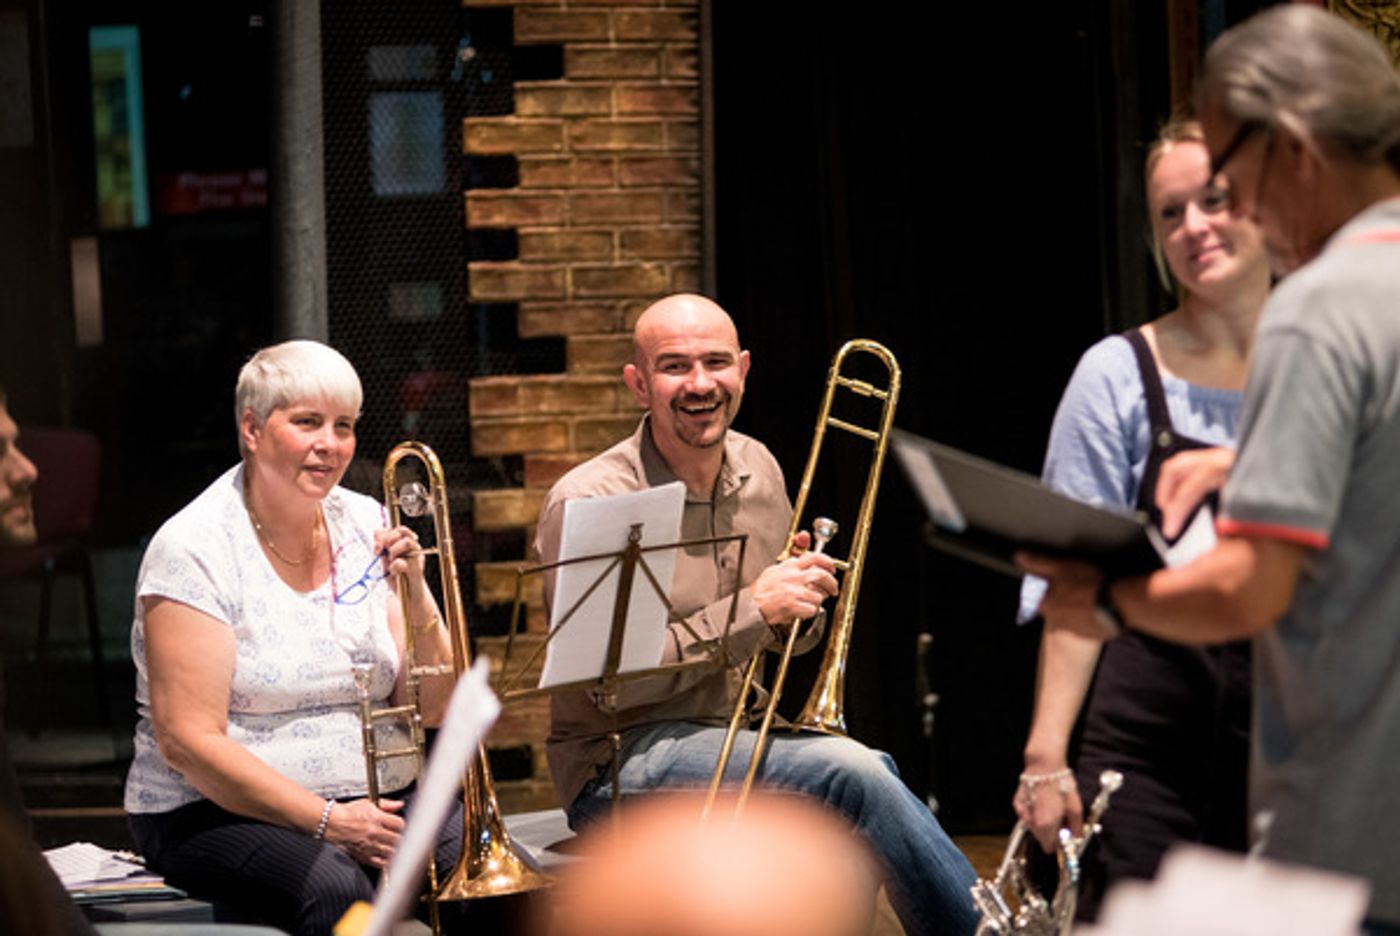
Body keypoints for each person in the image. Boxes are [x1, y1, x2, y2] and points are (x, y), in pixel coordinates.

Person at [1019, 7, 1400, 932]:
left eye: (1232, 180)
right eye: (1175, 208)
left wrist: (1111, 602)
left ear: (1296, 150)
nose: (1222, 212)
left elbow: (1250, 587)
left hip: (1346, 818)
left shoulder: (1316, 312)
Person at [532, 293, 978, 936]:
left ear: (743, 369)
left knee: (845, 835)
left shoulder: (759, 468)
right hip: (618, 764)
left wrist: (801, 601)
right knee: (857, 773)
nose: (700, 384)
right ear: (638, 385)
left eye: (716, 363)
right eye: (674, 366)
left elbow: (784, 641)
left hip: (734, 740)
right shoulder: (596, 499)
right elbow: (606, 686)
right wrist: (752, 610)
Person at [1014, 120, 1270, 917]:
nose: (1192, 226)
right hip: (1149, 743)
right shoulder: (1114, 374)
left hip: (1307, 739)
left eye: (1215, 200)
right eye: (1170, 212)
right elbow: (1072, 587)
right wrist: (1045, 756)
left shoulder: (1337, 361)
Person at [123, 341, 463, 936]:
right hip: (211, 810)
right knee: (335, 889)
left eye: (344, 426)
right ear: (252, 429)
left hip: (375, 796)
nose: (329, 444)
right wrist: (330, 821)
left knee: (479, 865)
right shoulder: (193, 548)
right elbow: (188, 742)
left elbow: (434, 707)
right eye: (307, 422)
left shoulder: (367, 522)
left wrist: (417, 595)